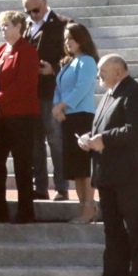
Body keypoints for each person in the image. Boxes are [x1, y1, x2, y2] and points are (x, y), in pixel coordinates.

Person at [80, 55, 138, 276]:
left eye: (103, 71)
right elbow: (102, 128)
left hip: (132, 175)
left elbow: (136, 131)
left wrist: (104, 139)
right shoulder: (108, 95)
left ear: (119, 71)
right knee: (112, 230)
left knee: (137, 230)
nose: (99, 75)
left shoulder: (136, 94)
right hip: (108, 175)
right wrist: (89, 139)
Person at [0, 11, 40, 223]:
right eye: (2, 25)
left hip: (20, 117)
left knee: (22, 165)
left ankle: (25, 211)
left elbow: (24, 85)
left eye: (7, 25)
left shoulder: (27, 51)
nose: (3, 29)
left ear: (18, 27)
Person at [23, 0, 73, 201]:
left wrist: (52, 68)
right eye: (28, 11)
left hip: (52, 92)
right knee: (34, 143)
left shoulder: (63, 24)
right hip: (30, 93)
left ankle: (61, 187)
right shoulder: (25, 26)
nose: (33, 14)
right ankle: (40, 187)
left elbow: (73, 56)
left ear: (45, 3)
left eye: (36, 9)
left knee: (55, 140)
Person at [53, 24, 99, 224]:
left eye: (70, 38)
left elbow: (82, 88)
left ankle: (89, 207)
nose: (67, 43)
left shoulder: (87, 61)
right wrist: (57, 108)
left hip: (82, 117)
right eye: (65, 39)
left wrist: (63, 105)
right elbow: (58, 88)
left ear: (81, 39)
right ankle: (83, 208)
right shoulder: (69, 63)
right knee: (76, 168)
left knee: (83, 166)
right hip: (67, 118)